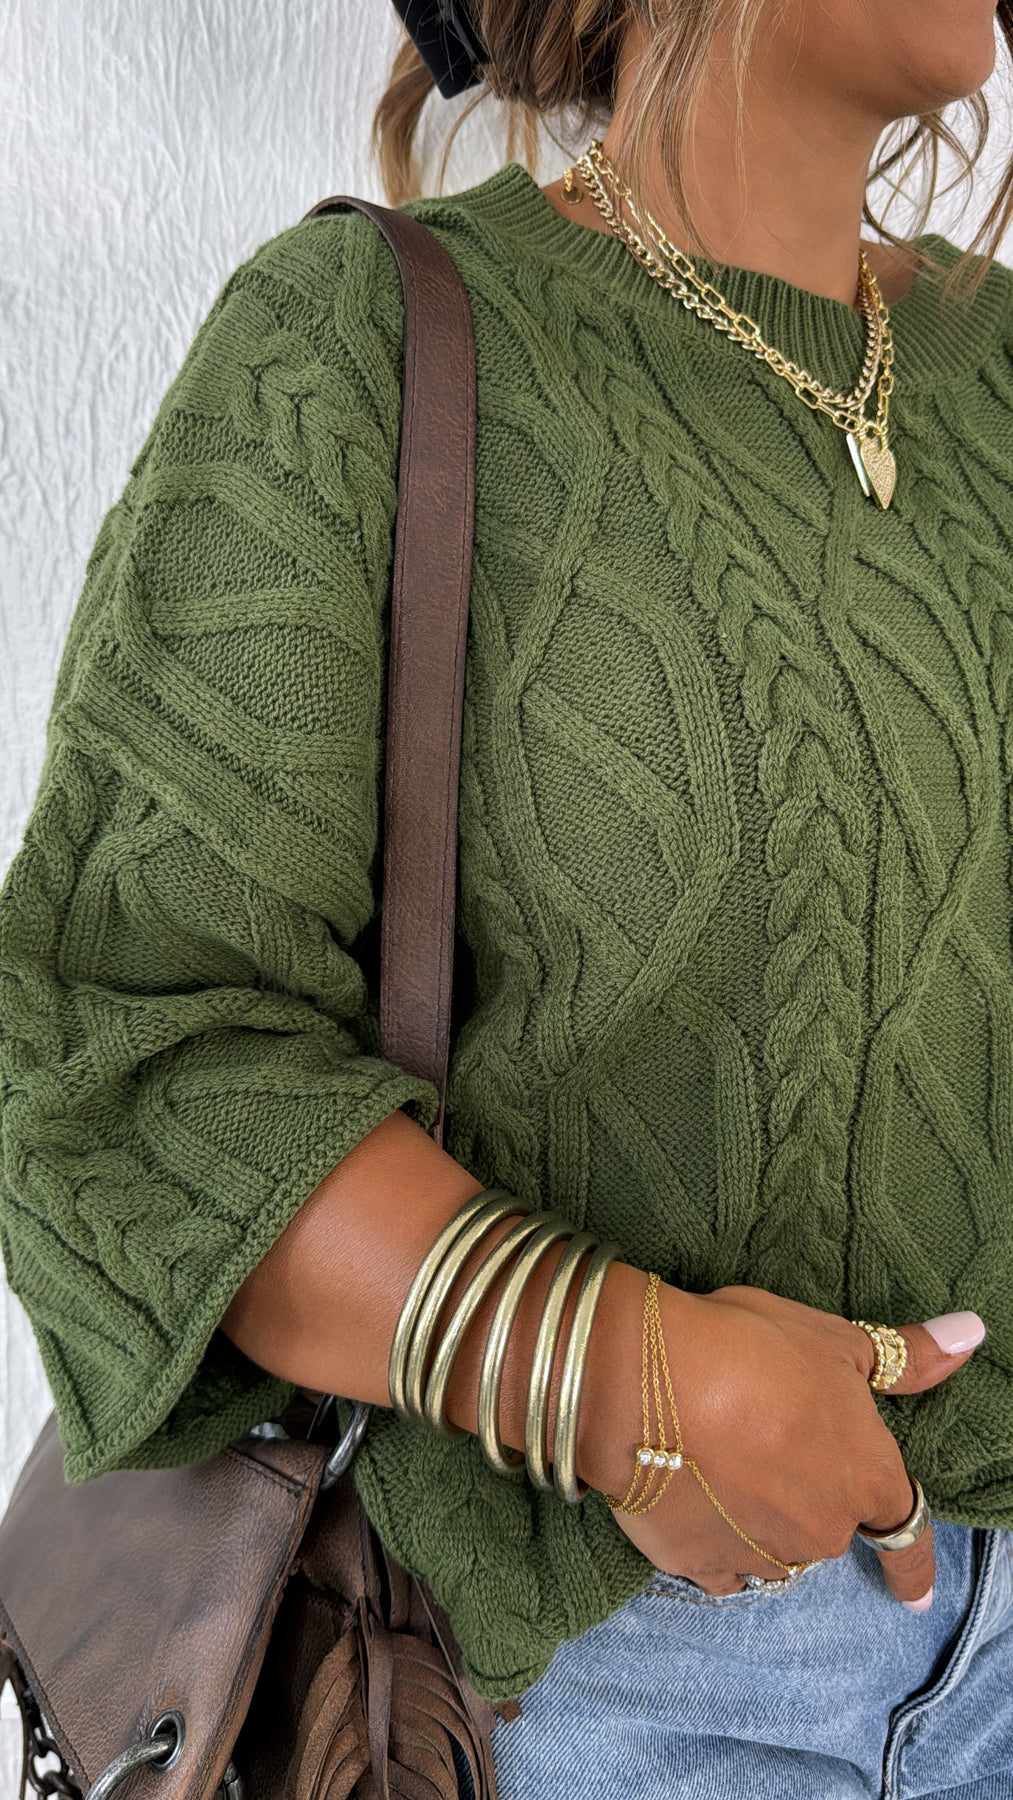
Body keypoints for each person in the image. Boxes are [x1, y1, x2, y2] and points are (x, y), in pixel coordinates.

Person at [2, 0, 1013, 1792]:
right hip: (597, 1692)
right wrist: (617, 1377)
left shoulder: (994, 365)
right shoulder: (362, 343)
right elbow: (128, 1044)